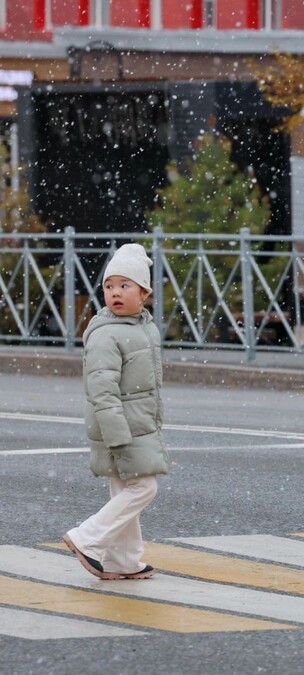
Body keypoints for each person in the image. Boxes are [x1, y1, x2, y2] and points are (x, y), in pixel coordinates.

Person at [64, 243, 168, 580]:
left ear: (145, 293)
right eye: (109, 286)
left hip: (136, 425)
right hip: (119, 427)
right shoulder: (107, 333)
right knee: (144, 488)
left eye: (125, 286)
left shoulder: (142, 328)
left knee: (124, 490)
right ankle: (86, 538)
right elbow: (101, 388)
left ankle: (121, 562)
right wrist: (116, 434)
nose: (115, 293)